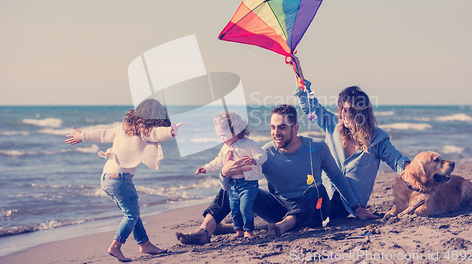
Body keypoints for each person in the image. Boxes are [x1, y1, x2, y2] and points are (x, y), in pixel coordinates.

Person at [175, 104, 376, 245]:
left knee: (317, 188)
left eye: (281, 127)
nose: (275, 132)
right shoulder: (265, 154)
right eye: (272, 127)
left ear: (295, 128)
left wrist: (356, 208)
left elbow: (337, 178)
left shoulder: (317, 147)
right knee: (239, 185)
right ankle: (204, 231)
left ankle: (285, 225)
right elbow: (232, 185)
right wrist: (224, 173)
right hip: (279, 210)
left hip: (314, 211)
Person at [288, 54, 410, 219]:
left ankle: (288, 219)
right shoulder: (333, 125)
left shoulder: (377, 138)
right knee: (293, 201)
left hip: (348, 206)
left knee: (305, 211)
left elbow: (397, 160)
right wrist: (297, 70)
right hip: (323, 194)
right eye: (342, 109)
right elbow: (309, 104)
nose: (344, 114)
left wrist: (416, 170)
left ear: (361, 112)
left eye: (350, 110)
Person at [65, 99, 182, 262]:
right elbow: (156, 134)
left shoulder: (124, 128)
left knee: (133, 212)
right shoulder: (144, 130)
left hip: (107, 178)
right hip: (120, 179)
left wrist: (82, 136)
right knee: (131, 214)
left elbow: (102, 133)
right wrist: (170, 131)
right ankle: (115, 246)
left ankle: (145, 244)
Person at [195, 111, 267, 238]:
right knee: (234, 209)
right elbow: (218, 161)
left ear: (236, 130)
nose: (222, 139)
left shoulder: (248, 143)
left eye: (224, 135)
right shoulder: (225, 147)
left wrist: (255, 160)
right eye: (220, 135)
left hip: (248, 184)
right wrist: (206, 168)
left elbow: (262, 154)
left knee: (245, 208)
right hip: (233, 185)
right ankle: (238, 231)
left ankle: (249, 231)